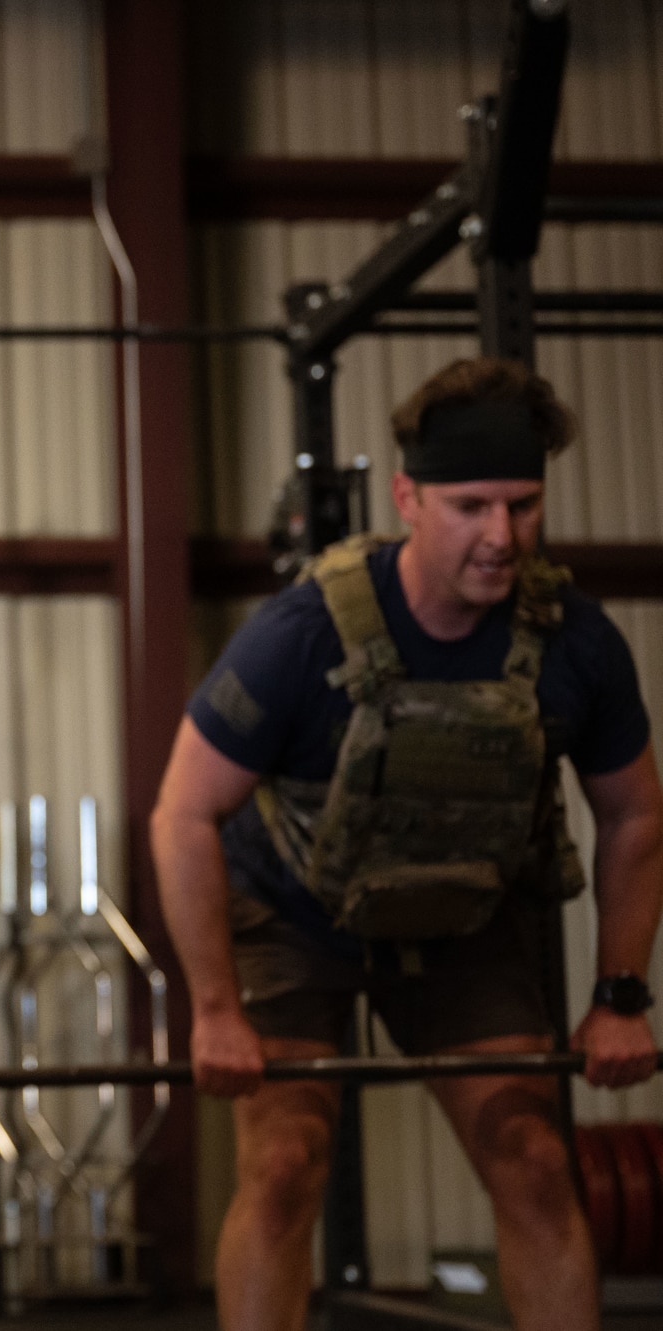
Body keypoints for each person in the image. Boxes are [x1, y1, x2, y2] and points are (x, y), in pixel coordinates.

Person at [151, 357, 662, 1331]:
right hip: (293, 914)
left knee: (533, 1160)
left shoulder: (573, 640)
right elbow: (178, 813)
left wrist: (618, 996)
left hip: (463, 918)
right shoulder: (300, 634)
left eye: (519, 504)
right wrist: (214, 1008)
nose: (498, 535)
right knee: (284, 1161)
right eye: (468, 504)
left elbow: (634, 813)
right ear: (406, 496)